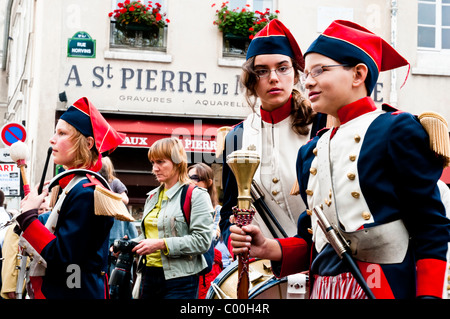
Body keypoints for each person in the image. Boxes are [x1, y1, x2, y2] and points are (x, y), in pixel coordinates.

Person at [230, 20, 450, 299]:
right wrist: (267, 247)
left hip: (386, 288)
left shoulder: (396, 129)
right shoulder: (309, 151)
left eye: (319, 70)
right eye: (307, 73)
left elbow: (429, 224)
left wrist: (428, 296)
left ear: (358, 74)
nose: (307, 80)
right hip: (325, 289)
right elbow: (315, 241)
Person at [220, 19, 327, 249]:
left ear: (296, 75)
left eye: (282, 68)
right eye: (261, 71)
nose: (274, 78)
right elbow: (227, 213)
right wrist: (232, 237)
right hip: (263, 267)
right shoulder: (236, 137)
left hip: (317, 260)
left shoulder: (322, 122)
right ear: (251, 80)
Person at [14, 97, 128, 299]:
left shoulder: (86, 192)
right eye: (55, 132)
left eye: (62, 133)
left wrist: (28, 219)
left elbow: (63, 258)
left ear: (88, 143)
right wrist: (30, 217)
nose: (52, 139)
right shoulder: (75, 185)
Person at [130, 137, 213, 299]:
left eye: (161, 162)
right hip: (147, 275)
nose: (155, 168)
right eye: (153, 162)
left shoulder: (196, 195)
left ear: (177, 162)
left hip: (181, 279)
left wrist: (162, 244)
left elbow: (202, 240)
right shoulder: (152, 196)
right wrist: (131, 246)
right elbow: (149, 237)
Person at [188, 163, 225, 299]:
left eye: (196, 178)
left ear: (208, 182)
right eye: (187, 177)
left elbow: (211, 237)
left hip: (206, 269)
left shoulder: (216, 210)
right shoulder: (182, 205)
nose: (190, 181)